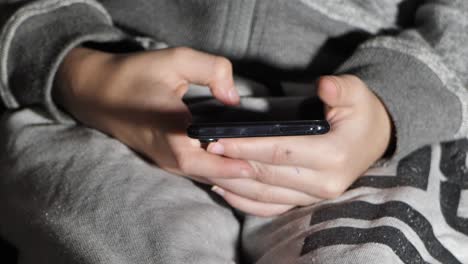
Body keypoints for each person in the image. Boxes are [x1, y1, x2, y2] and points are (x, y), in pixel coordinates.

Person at [0, 0, 467, 263]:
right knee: (106, 236)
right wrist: (77, 69)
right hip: (108, 80)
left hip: (387, 101)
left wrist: (393, 103)